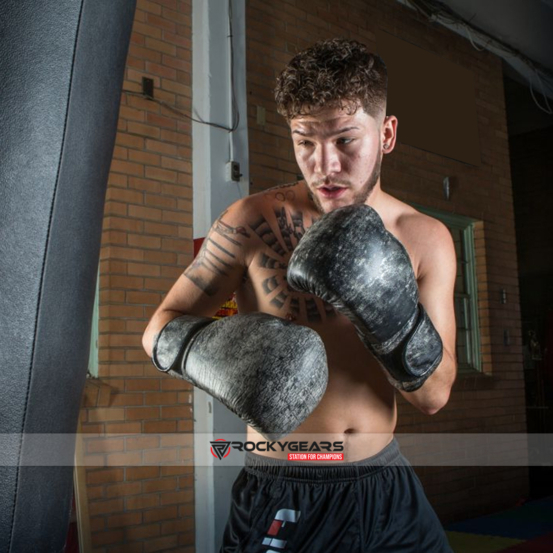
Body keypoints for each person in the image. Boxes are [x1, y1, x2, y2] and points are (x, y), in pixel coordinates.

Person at [143, 38, 457, 552]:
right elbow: (159, 327)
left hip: (387, 486)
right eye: (305, 141)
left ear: (387, 134)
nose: (324, 165)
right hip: (285, 486)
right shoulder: (250, 222)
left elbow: (434, 395)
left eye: (345, 141)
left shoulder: (426, 238)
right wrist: (227, 353)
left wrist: (391, 315)